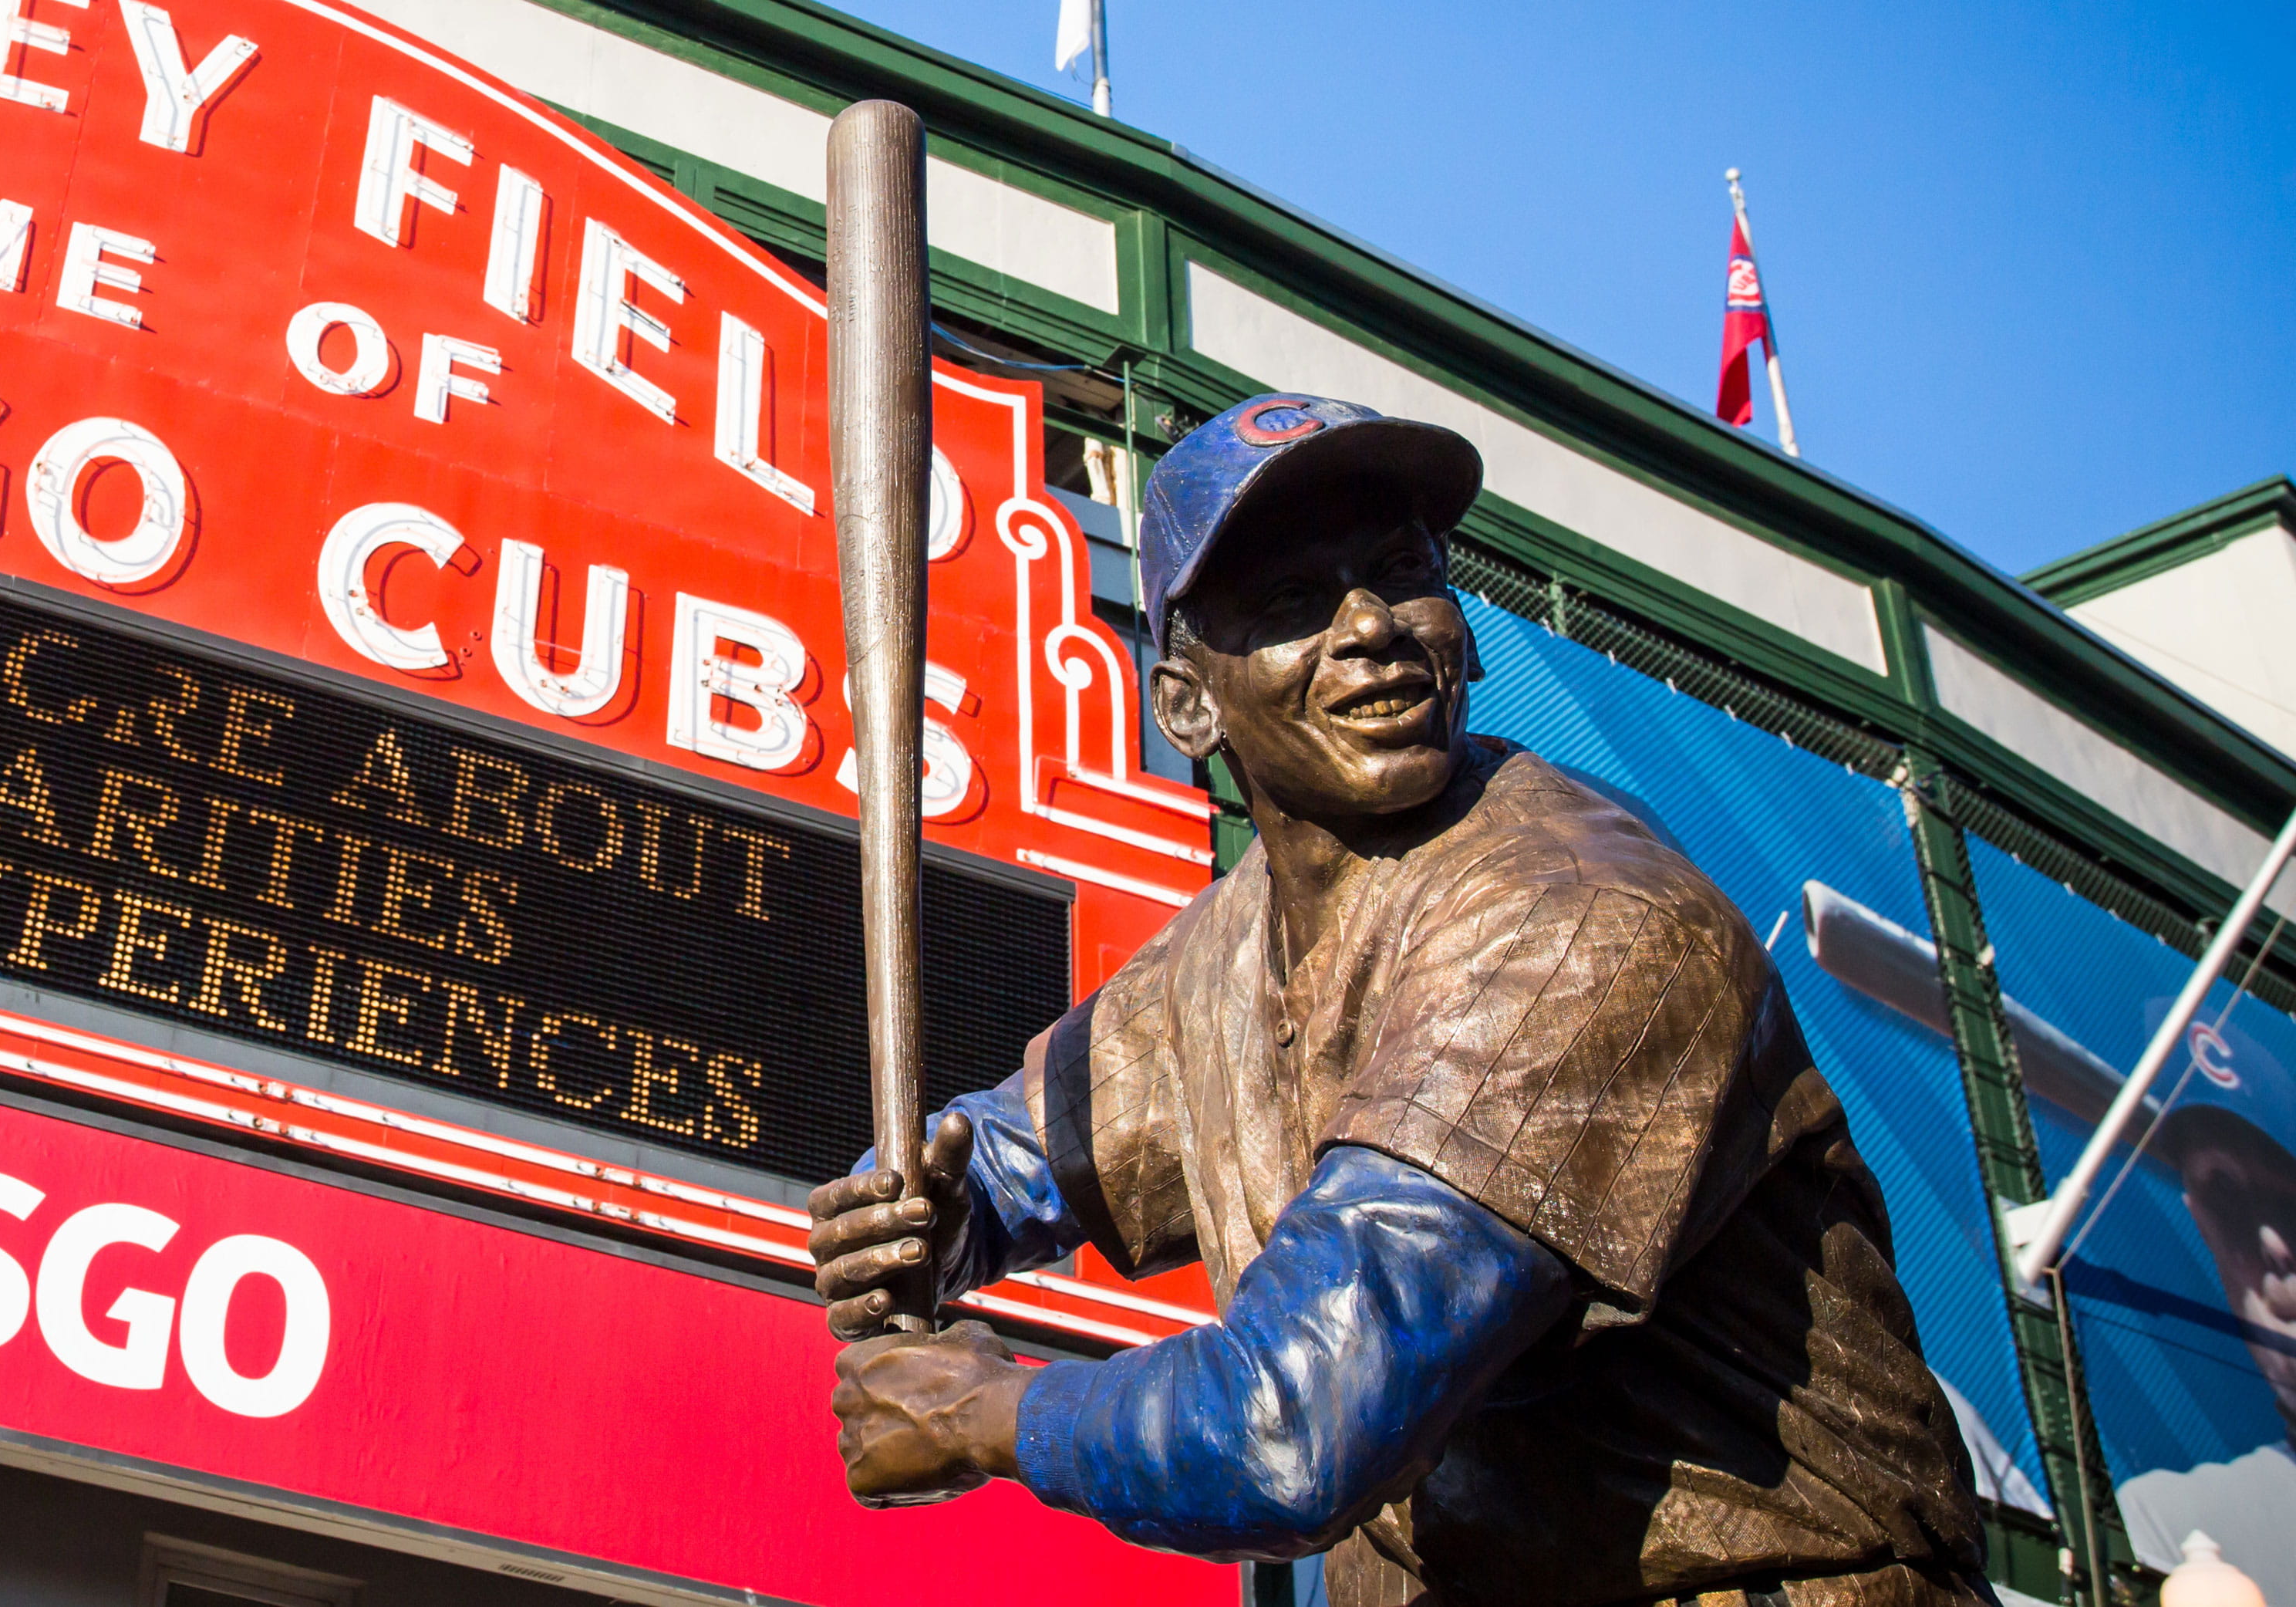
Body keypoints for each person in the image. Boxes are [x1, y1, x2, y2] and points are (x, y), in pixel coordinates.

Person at [811, 394, 1988, 1607]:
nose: (1368, 627)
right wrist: (926, 1221)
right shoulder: (1222, 955)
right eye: (1290, 602)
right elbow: (1006, 1154)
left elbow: (1293, 1432)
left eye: (1399, 575)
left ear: (1461, 633)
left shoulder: (1578, 920)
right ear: (1189, 706)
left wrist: (996, 1412)